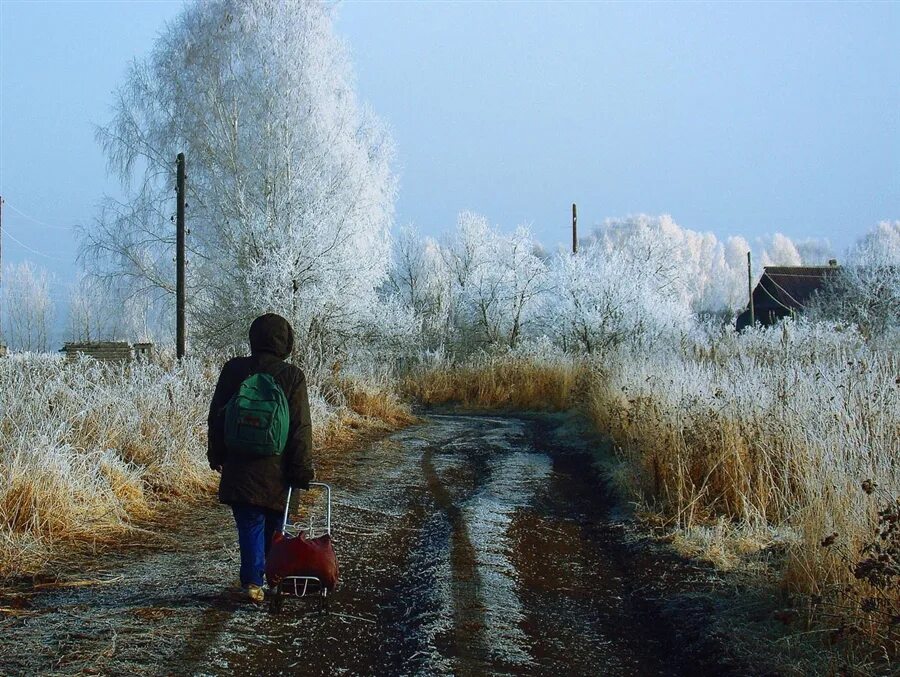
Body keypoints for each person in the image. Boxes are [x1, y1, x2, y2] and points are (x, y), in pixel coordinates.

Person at [207, 313, 314, 603]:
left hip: (240, 467)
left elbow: (217, 415)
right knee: (275, 526)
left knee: (249, 523)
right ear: (287, 342)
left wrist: (216, 453)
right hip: (279, 470)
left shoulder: (234, 370)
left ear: (253, 337)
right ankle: (272, 577)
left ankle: (253, 582)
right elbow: (300, 427)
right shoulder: (292, 376)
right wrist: (301, 469)